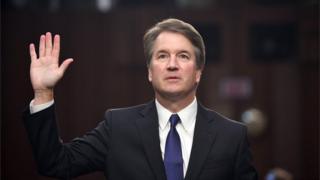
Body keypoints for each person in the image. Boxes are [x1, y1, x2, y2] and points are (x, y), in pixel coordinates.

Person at [23, 18, 258, 180]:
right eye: (162, 55)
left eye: (183, 56)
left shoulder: (231, 136)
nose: (172, 64)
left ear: (198, 72)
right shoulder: (117, 127)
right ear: (149, 71)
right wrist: (43, 93)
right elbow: (55, 163)